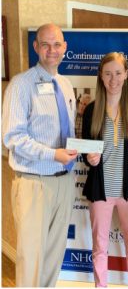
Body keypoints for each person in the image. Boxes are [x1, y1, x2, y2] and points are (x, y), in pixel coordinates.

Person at [2, 23, 78, 287]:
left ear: (65, 48)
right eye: (45, 44)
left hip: (64, 183)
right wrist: (53, 154)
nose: (52, 50)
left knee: (54, 255)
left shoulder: (66, 85)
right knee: (31, 257)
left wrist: (83, 152)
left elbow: (66, 131)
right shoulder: (20, 85)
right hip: (34, 183)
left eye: (57, 44)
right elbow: (13, 137)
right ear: (36, 47)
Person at [82, 52, 128, 287]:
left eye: (118, 73)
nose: (113, 79)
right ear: (100, 75)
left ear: (126, 74)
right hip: (101, 191)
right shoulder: (91, 110)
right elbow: (86, 150)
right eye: (108, 74)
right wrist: (90, 158)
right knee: (100, 247)